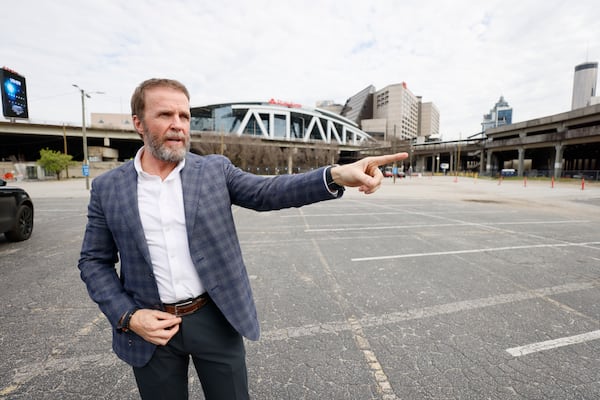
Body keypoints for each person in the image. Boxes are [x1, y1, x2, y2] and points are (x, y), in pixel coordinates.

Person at [78, 78, 408, 400]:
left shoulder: (213, 171)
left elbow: (269, 192)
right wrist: (129, 317)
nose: (178, 125)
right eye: (165, 115)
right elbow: (94, 261)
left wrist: (335, 174)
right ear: (139, 122)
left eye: (184, 116)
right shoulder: (109, 189)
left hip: (215, 316)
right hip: (150, 327)